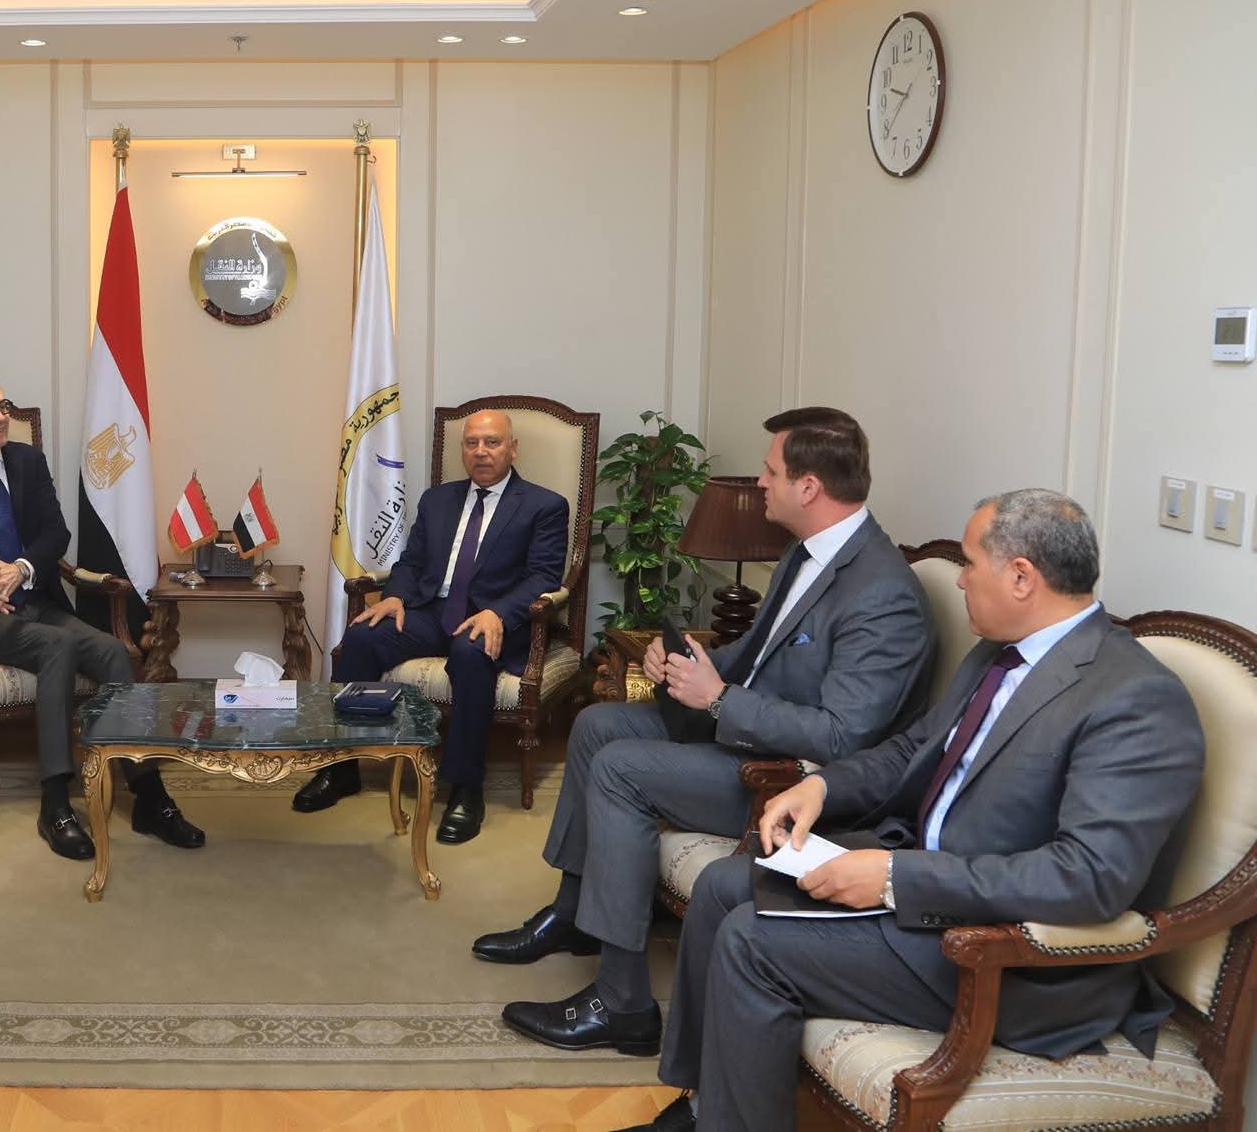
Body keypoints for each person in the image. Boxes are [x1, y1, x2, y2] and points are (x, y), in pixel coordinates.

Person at [620, 489, 1206, 1132]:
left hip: (1007, 957)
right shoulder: (998, 653)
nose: (959, 579)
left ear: (1021, 577)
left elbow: (1089, 878)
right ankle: (703, 1107)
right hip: (929, 883)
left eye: (970, 563)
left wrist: (896, 878)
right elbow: (912, 750)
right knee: (721, 886)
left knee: (750, 943)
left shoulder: (1134, 699)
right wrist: (823, 788)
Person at [488, 407, 932, 1055]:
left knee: (619, 769)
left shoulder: (882, 594)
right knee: (596, 724)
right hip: (748, 730)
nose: (760, 482)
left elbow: (841, 737)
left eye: (771, 471)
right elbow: (754, 652)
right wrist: (686, 664)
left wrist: (720, 699)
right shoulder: (806, 551)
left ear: (809, 487)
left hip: (792, 782)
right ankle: (575, 912)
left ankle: (622, 1004)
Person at [0, 372, 201, 861]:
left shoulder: (28, 462)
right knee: (56, 645)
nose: (0, 418)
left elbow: (55, 534)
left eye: (3, 406)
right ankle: (56, 800)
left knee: (111, 651)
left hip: (35, 599)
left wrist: (19, 570)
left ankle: (149, 794)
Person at [293, 409, 569, 844]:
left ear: (513, 449)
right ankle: (343, 769)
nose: (481, 451)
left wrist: (498, 613)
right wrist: (396, 596)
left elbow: (543, 577)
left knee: (471, 653)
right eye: (472, 443)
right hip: (432, 612)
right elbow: (412, 562)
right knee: (361, 638)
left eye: (492, 442)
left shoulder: (544, 505)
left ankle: (465, 788)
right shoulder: (437, 500)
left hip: (489, 619)